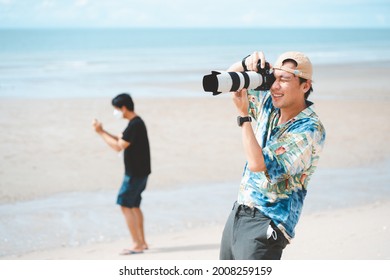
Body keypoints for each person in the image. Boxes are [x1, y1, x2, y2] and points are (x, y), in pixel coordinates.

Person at [219, 51, 326, 260]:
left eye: (284, 80)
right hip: (239, 212)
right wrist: (244, 63)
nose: (275, 86)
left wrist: (244, 117)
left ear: (305, 86)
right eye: (273, 78)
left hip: (266, 224)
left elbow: (258, 164)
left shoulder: (309, 129)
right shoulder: (271, 105)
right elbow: (227, 81)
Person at [92, 93, 151, 255]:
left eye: (116, 109)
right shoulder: (136, 123)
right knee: (134, 205)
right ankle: (142, 242)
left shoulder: (135, 125)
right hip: (141, 172)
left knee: (125, 205)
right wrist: (103, 130)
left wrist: (100, 133)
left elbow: (119, 146)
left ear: (123, 108)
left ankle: (137, 244)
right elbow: (121, 139)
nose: (115, 112)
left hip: (135, 173)